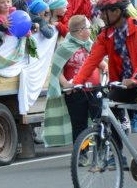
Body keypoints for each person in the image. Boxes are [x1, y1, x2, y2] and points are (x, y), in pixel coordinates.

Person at [72, 0, 137, 167]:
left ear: (116, 11)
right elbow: (92, 60)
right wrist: (76, 82)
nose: (100, 16)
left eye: (103, 11)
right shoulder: (105, 35)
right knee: (108, 109)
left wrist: (136, 78)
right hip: (125, 83)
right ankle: (116, 156)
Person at [44, 15, 107, 146]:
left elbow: (101, 64)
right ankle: (81, 152)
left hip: (95, 90)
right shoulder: (64, 47)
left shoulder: (91, 45)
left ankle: (102, 150)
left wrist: (105, 68)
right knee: (79, 125)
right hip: (75, 92)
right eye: (89, 27)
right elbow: (57, 71)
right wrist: (66, 84)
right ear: (81, 31)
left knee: (100, 121)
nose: (91, 30)